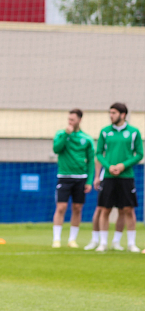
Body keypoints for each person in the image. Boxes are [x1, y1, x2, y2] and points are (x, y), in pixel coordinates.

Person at [95, 102, 143, 253]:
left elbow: (139, 154)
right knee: (105, 209)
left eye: (114, 113)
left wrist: (123, 165)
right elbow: (98, 153)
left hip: (126, 176)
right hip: (108, 176)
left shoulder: (134, 132)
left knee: (127, 209)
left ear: (123, 115)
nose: (111, 115)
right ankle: (103, 243)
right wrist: (108, 166)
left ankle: (128, 243)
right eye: (110, 113)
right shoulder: (105, 132)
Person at [51, 109, 94, 248]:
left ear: (79, 120)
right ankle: (56, 239)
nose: (70, 122)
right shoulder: (61, 134)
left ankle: (72, 240)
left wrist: (89, 181)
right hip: (64, 177)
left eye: (72, 120)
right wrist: (66, 135)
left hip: (80, 178)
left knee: (77, 208)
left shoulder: (86, 138)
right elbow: (56, 149)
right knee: (61, 207)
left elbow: (91, 161)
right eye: (69, 119)